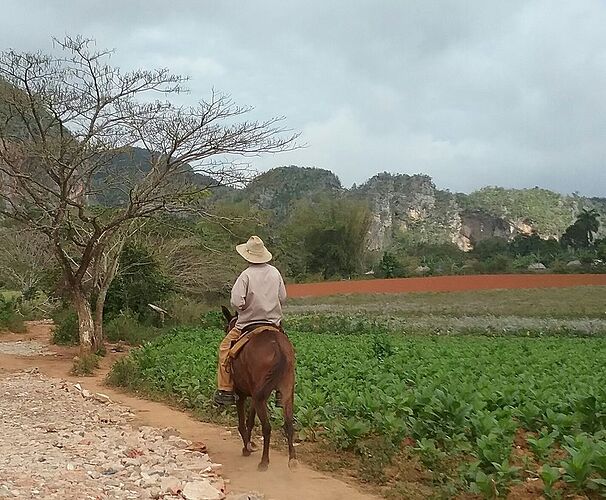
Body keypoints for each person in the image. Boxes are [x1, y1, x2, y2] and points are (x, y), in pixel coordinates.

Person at [214, 235, 287, 406]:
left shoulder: (245, 275)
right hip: (273, 324)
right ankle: (282, 391)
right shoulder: (275, 273)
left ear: (247, 255)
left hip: (247, 324)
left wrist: (246, 307)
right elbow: (283, 297)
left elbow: (236, 302)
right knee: (286, 353)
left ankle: (225, 390)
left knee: (225, 348)